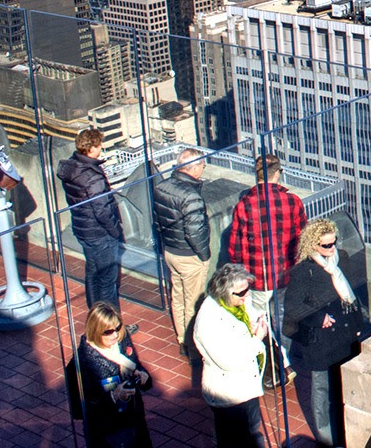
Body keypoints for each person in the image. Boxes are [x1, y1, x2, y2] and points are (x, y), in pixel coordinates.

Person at [284, 219, 366, 446]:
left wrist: (358, 326)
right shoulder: (303, 272)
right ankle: (326, 439)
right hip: (321, 342)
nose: (332, 249)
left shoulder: (339, 261)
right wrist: (318, 318)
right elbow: (292, 307)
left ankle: (342, 433)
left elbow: (351, 296)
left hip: (343, 338)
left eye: (334, 243)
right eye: (326, 246)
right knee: (321, 389)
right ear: (312, 245)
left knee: (340, 389)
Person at [227, 154, 306, 382]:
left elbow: (234, 249)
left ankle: (274, 366)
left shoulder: (244, 206)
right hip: (285, 274)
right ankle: (284, 361)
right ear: (278, 173)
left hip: (256, 278)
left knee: (260, 321)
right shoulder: (293, 202)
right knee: (280, 318)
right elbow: (303, 239)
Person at [193, 263, 269, 447]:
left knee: (251, 431)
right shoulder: (209, 321)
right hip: (229, 394)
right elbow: (229, 361)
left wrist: (257, 320)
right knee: (233, 440)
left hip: (246, 386)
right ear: (224, 292)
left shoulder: (236, 301)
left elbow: (249, 313)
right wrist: (257, 339)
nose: (247, 295)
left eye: (248, 289)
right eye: (242, 292)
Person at [58, 128, 125, 310]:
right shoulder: (91, 176)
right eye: (99, 145)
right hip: (99, 233)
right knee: (107, 281)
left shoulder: (72, 167)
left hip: (83, 229)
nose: (101, 148)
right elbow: (102, 210)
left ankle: (95, 316)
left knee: (93, 273)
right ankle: (111, 325)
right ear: (91, 148)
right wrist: (114, 231)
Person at [151, 147, 210, 355]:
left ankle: (181, 337)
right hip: (189, 255)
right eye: (202, 166)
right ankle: (192, 346)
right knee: (193, 302)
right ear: (194, 169)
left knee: (178, 296)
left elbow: (157, 222)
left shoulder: (161, 187)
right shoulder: (191, 196)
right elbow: (195, 232)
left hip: (171, 251)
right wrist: (204, 256)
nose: (203, 170)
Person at [76, 301, 153, 448]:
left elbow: (137, 365)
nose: (115, 335)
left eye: (117, 328)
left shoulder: (122, 339)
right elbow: (87, 405)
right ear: (95, 330)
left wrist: (143, 377)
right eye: (108, 331)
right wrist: (113, 396)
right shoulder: (85, 360)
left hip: (134, 421)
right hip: (107, 432)